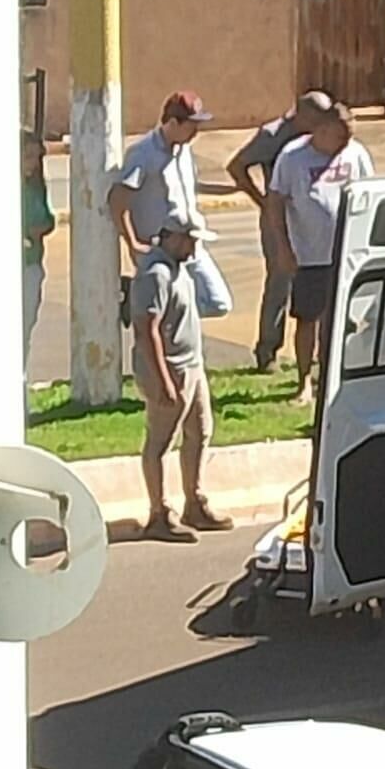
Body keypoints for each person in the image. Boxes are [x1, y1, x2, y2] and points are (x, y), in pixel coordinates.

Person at [131, 211, 233, 542]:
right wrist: (163, 381)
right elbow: (147, 330)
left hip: (191, 366)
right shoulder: (156, 274)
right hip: (170, 369)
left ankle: (195, 502)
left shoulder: (180, 269)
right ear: (172, 236)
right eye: (190, 239)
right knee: (160, 442)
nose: (194, 247)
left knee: (199, 432)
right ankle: (158, 513)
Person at [268, 101, 374, 405]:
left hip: (348, 253)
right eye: (341, 137)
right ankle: (304, 382)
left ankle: (334, 377)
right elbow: (275, 203)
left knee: (343, 319)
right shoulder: (292, 157)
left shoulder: (355, 154)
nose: (346, 144)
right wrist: (283, 248)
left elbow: (370, 194)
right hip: (309, 254)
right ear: (322, 130)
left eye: (349, 137)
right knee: (307, 319)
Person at [226, 90, 333, 373]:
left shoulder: (323, 136)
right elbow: (237, 166)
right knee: (280, 282)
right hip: (279, 219)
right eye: (317, 118)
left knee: (318, 281)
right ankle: (268, 351)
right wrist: (261, 201)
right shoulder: (273, 135)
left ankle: (317, 353)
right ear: (302, 115)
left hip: (312, 223)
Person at [109, 91, 232, 320]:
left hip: (189, 243)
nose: (196, 133)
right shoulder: (143, 153)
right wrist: (133, 243)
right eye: (192, 125)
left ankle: (147, 305)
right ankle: (138, 304)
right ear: (173, 123)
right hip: (159, 249)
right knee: (159, 311)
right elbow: (118, 201)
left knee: (218, 302)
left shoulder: (184, 150)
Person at [22, 130, 54, 367]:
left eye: (36, 157)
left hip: (32, 264)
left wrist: (43, 227)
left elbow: (48, 217)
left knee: (25, 328)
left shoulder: (36, 187)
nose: (32, 163)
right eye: (27, 156)